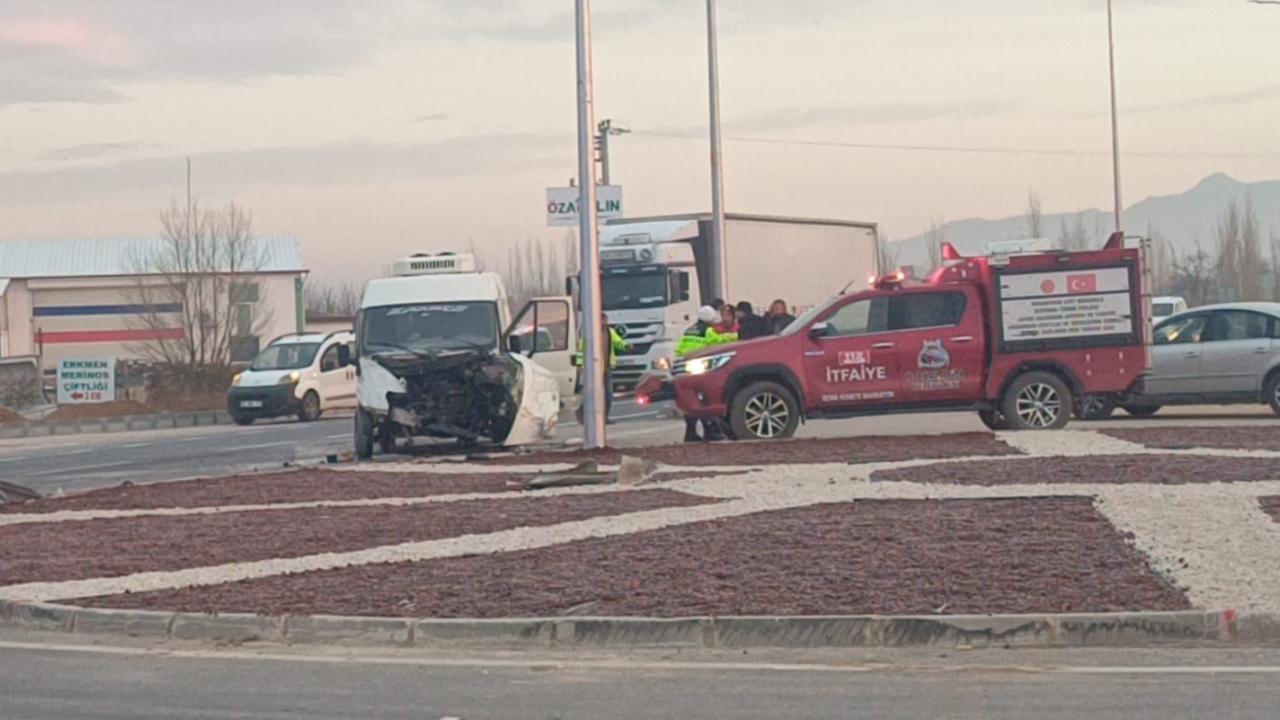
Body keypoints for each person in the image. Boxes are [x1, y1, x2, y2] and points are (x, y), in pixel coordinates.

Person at [676, 306, 736, 442]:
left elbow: (679, 349)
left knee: (691, 401)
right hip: (699, 368)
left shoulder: (689, 329)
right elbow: (720, 340)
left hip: (685, 367)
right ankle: (711, 431)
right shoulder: (708, 331)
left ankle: (690, 433)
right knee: (704, 399)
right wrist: (736, 335)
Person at [573, 312, 630, 423]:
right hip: (593, 369)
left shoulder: (609, 332)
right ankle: (581, 412)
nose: (606, 322)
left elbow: (618, 342)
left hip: (606, 368)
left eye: (606, 320)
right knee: (592, 394)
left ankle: (605, 418)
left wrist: (626, 346)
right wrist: (579, 365)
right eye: (603, 320)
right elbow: (581, 350)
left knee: (608, 394)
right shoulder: (590, 333)